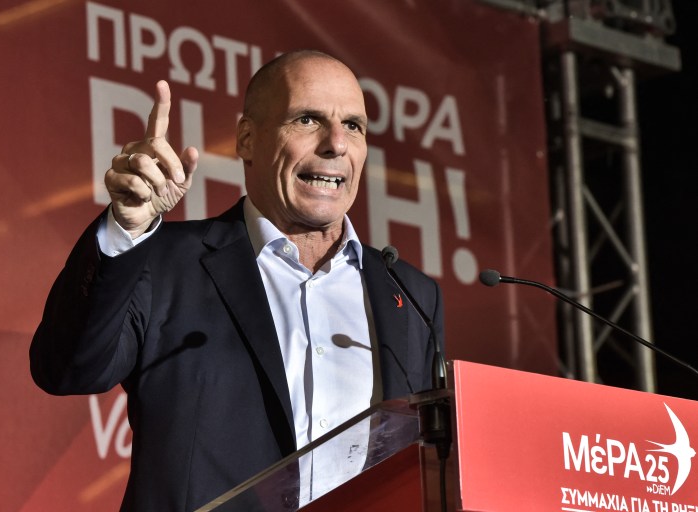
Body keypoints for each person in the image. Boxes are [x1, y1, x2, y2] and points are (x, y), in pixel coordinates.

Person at [30, 50, 443, 511]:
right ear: (247, 139)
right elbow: (67, 368)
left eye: (353, 126)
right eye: (307, 120)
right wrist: (124, 229)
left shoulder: (409, 293)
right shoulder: (164, 261)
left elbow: (429, 461)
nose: (336, 144)